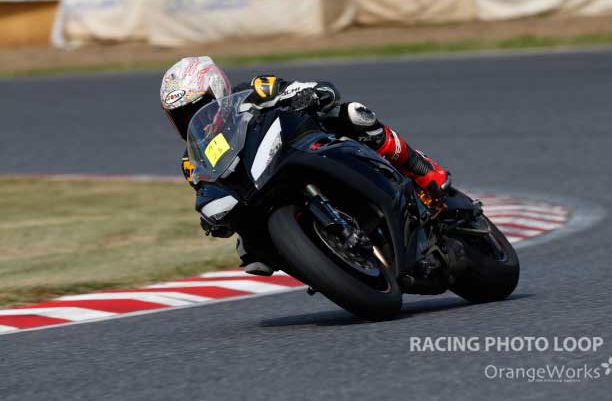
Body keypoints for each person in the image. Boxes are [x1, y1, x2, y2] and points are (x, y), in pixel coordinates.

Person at [160, 56, 450, 276]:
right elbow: (209, 190)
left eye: (197, 108)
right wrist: (213, 220)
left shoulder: (251, 91)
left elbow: (298, 88)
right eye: (181, 117)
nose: (192, 120)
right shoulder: (192, 161)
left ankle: (422, 169)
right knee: (252, 255)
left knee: (353, 114)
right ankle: (323, 262)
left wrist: (309, 93)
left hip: (301, 144)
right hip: (258, 191)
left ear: (217, 90)